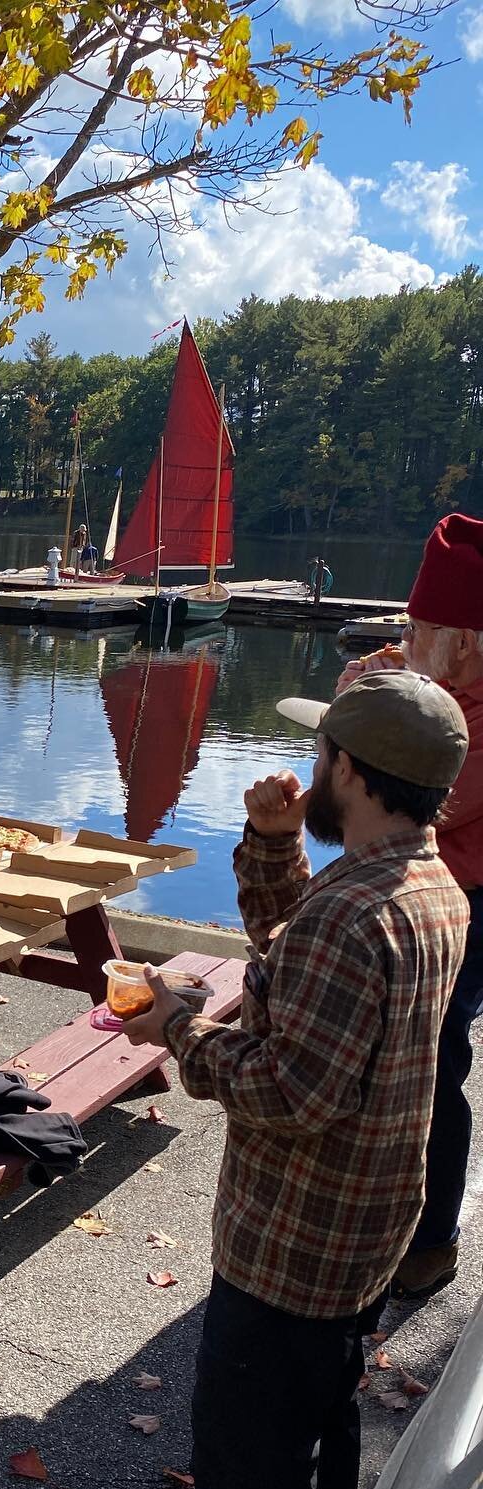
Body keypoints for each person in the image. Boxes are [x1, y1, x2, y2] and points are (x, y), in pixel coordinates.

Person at [108, 671, 469, 1489]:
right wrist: (271, 844)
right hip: (365, 1228)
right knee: (322, 1419)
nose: (309, 771)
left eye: (320, 758)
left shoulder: (354, 912)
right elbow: (293, 971)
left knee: (250, 1452)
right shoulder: (421, 883)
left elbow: (289, 1087)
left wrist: (176, 1024)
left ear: (352, 769)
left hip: (294, 1233)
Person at [335, 514, 483, 1299]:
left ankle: (432, 1241)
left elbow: (418, 804)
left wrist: (376, 714)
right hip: (425, 884)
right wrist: (371, 696)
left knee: (435, 1060)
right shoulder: (437, 685)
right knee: (393, 1054)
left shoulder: (468, 711)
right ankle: (384, 1210)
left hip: (471, 899)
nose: (405, 636)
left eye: (420, 628)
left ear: (464, 639)